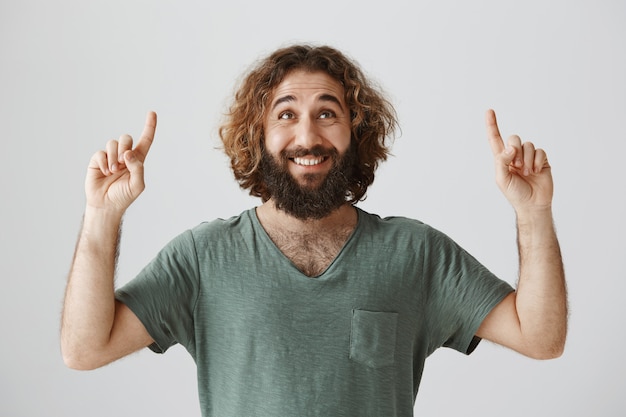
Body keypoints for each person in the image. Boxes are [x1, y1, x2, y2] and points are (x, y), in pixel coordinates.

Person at [61, 44, 567, 416]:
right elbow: (84, 349)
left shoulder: (416, 253)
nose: (308, 135)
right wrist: (102, 216)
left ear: (356, 133)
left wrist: (533, 212)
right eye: (286, 115)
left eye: (328, 113)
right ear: (257, 135)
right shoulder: (202, 257)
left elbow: (541, 337)